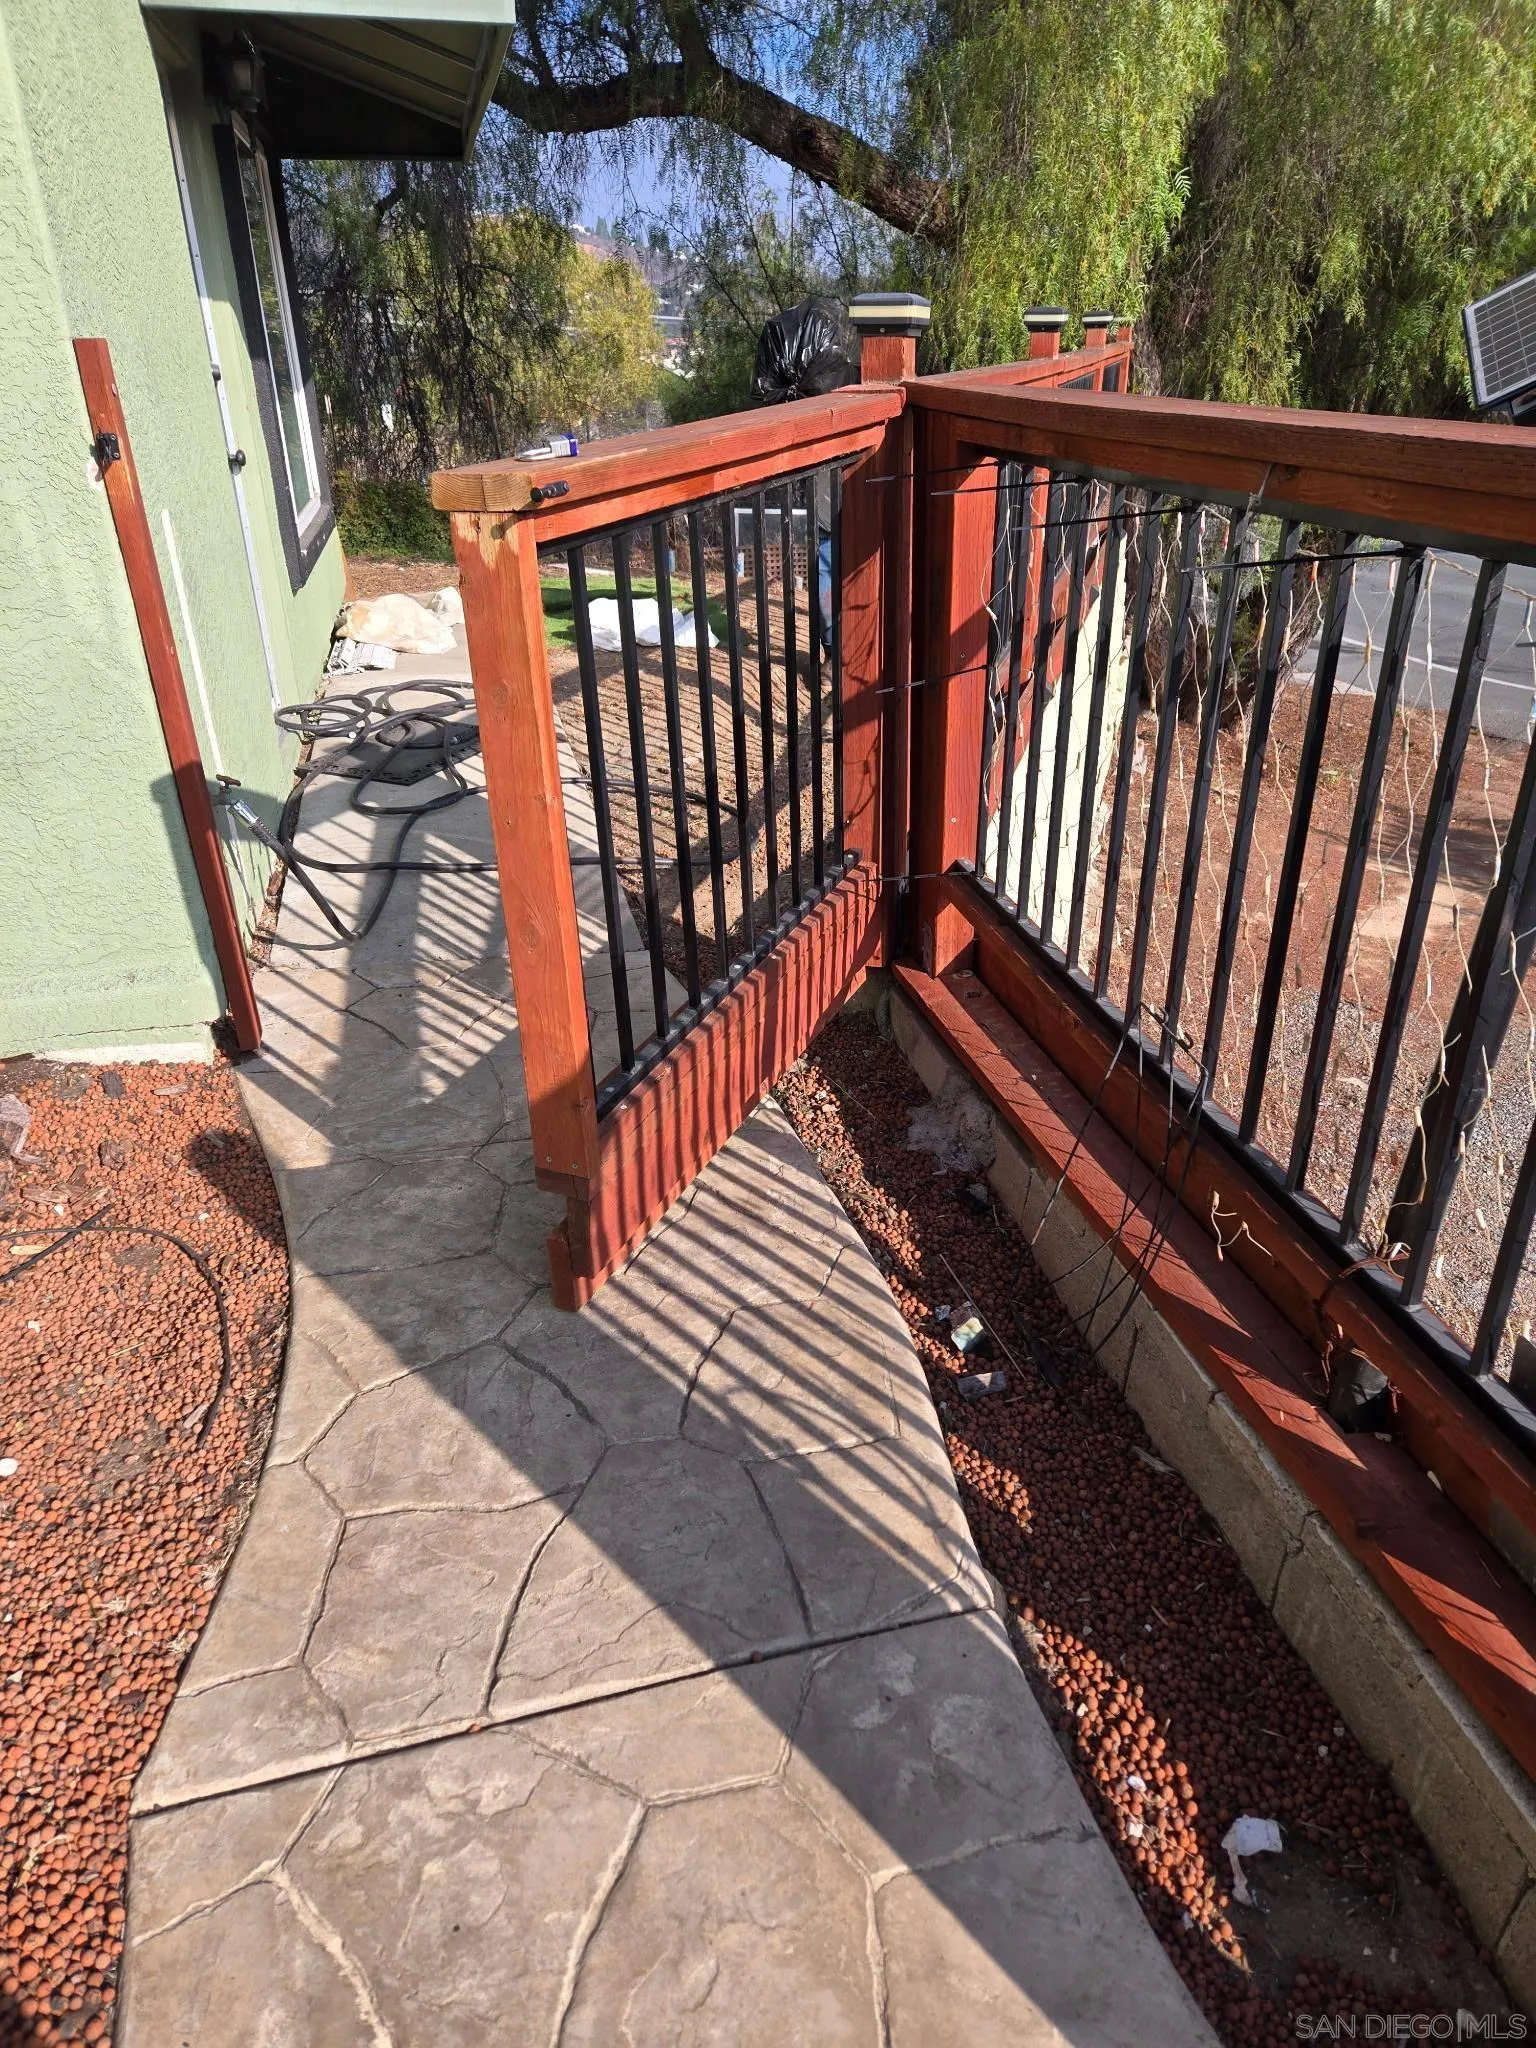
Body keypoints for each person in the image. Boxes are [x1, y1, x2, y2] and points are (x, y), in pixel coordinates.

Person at [750, 300, 856, 653]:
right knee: (828, 572)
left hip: (841, 495)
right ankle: (838, 651)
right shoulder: (827, 381)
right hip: (834, 499)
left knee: (835, 570)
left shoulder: (835, 383)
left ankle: (840, 650)